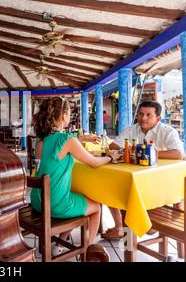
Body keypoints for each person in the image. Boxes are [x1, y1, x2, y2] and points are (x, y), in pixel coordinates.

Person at [30, 97, 122, 255]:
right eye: (69, 113)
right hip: (55, 205)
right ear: (64, 116)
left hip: (38, 200)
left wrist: (79, 140)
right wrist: (112, 157)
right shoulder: (66, 139)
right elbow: (93, 162)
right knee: (95, 208)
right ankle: (88, 251)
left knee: (78, 198)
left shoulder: (40, 139)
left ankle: (59, 245)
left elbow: (59, 148)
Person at [101, 100, 184, 239]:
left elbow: (178, 154)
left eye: (148, 115)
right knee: (110, 187)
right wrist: (131, 150)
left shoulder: (168, 131)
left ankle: (147, 222)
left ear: (158, 118)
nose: (143, 118)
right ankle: (120, 226)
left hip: (160, 182)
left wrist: (145, 152)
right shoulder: (131, 129)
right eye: (140, 114)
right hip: (134, 177)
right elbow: (113, 147)